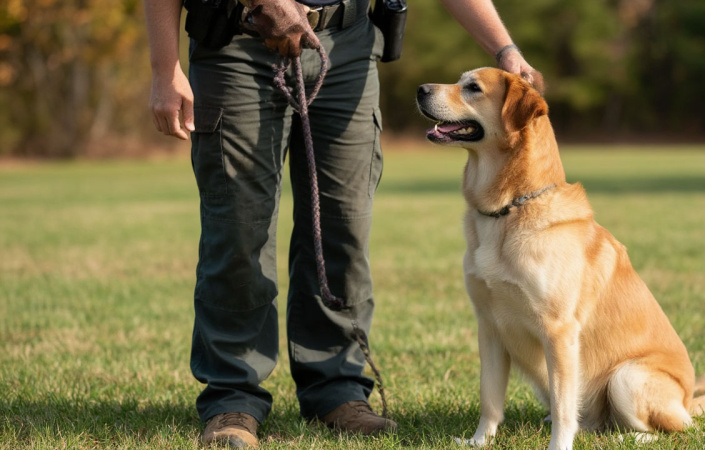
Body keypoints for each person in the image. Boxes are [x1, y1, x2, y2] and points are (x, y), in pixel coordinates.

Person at [143, 0, 540, 446]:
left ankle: (337, 391)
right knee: (239, 231)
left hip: (346, 44)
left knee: (344, 228)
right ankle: (233, 399)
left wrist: (503, 48)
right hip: (237, 43)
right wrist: (165, 66)